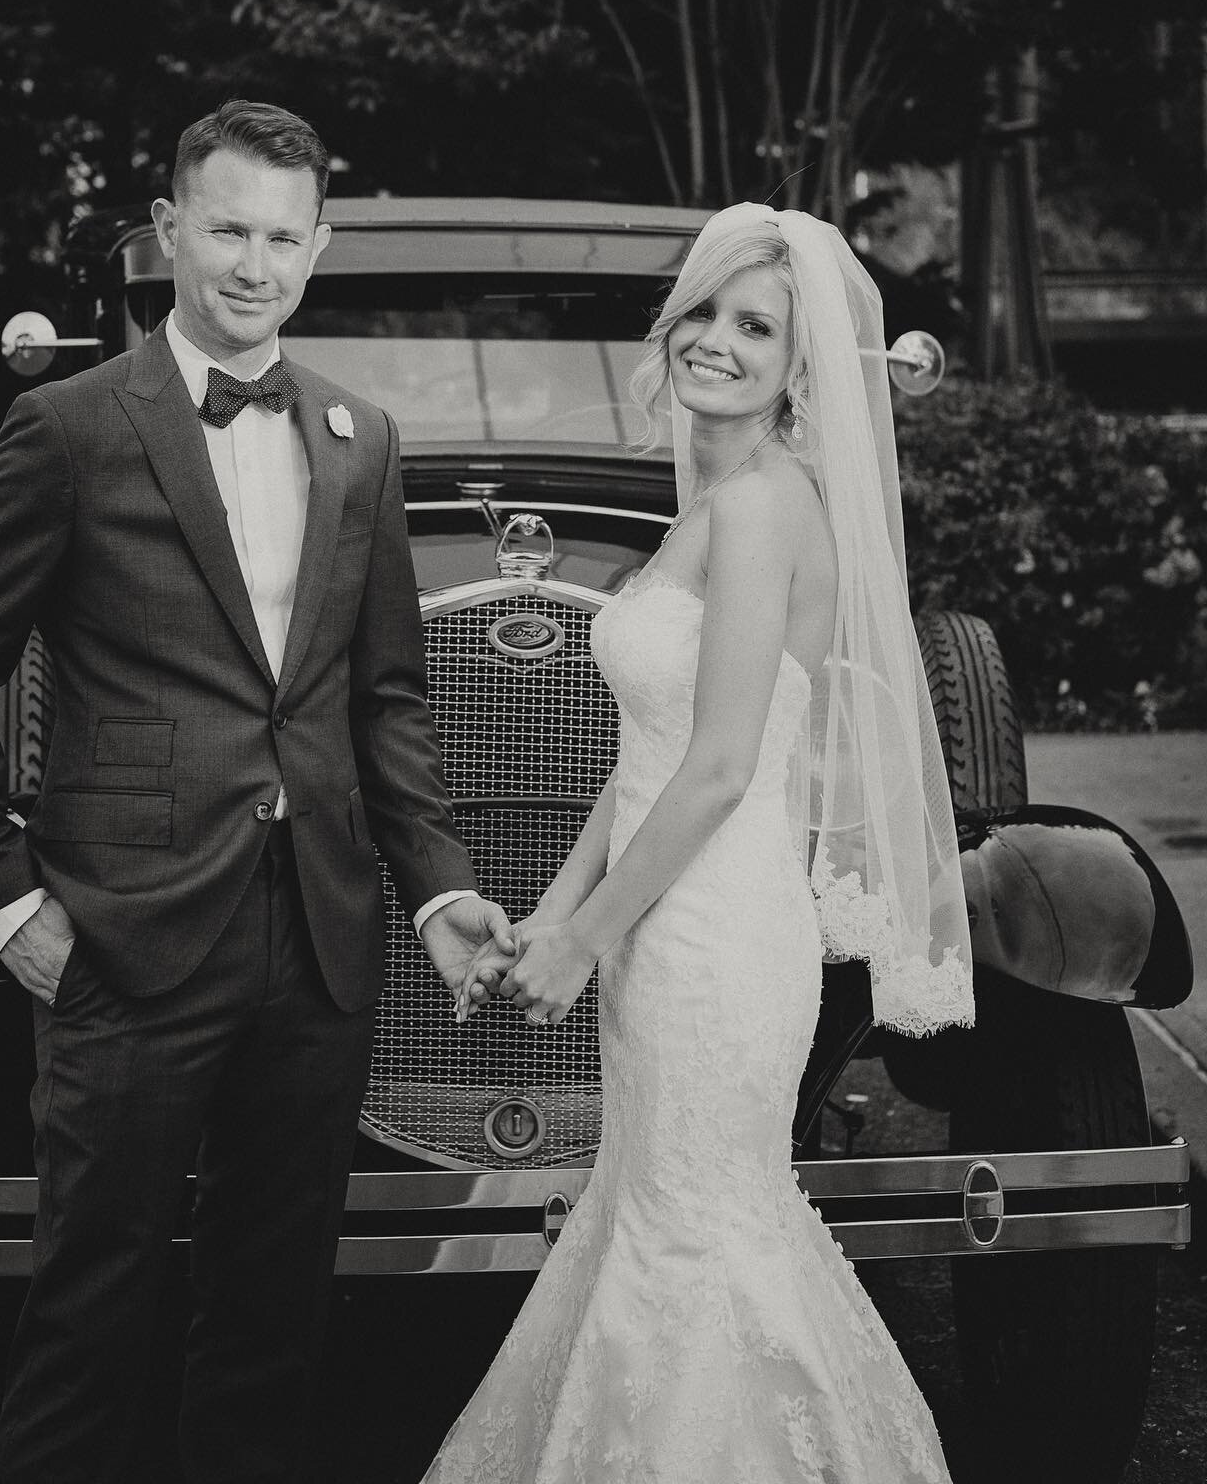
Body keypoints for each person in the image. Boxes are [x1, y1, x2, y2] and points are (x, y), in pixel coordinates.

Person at [0, 100, 514, 1484]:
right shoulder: (67, 428)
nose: (253, 262)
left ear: (320, 246)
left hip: (320, 942)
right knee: (90, 1311)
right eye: (226, 227)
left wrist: (445, 887)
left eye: (283, 236)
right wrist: (3, 906)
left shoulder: (363, 434)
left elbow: (383, 702)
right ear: (170, 230)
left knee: (273, 1317)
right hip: (125, 934)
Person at [430, 204, 976, 1482]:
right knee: (660, 1217)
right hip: (661, 924)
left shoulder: (766, 509)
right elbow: (644, 767)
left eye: (758, 326)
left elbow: (726, 764)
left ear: (801, 373)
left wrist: (591, 937)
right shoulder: (707, 506)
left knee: (697, 1235)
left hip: (717, 938)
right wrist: (549, 920)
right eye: (707, 313)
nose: (717, 342)